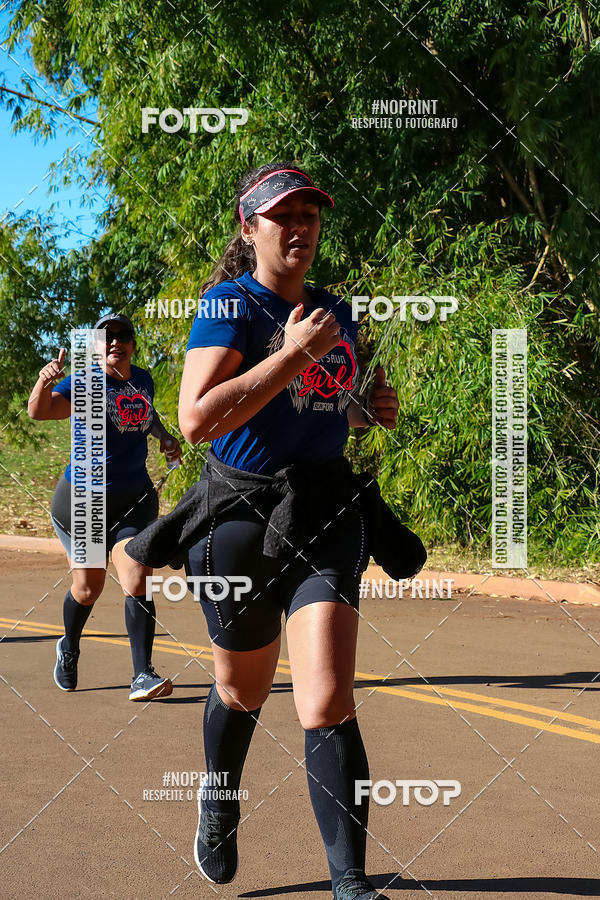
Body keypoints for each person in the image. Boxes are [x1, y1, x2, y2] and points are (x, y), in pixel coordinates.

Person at [125, 163, 426, 899]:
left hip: (323, 516)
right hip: (236, 525)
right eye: (282, 216)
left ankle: (350, 881)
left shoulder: (336, 312)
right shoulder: (231, 307)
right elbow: (197, 421)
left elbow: (317, 407)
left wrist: (365, 409)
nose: (299, 228)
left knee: (326, 700)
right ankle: (218, 800)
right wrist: (291, 354)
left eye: (311, 216)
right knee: (242, 691)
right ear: (249, 228)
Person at [27, 313, 182, 701]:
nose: (115, 342)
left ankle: (142, 675)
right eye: (106, 337)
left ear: (132, 343)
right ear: (96, 345)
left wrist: (164, 437)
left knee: (137, 579)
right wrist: (43, 382)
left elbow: (145, 415)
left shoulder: (142, 379)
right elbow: (40, 411)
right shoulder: (84, 382)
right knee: (88, 588)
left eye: (123, 335)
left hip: (133, 501)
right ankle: (69, 646)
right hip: (83, 504)